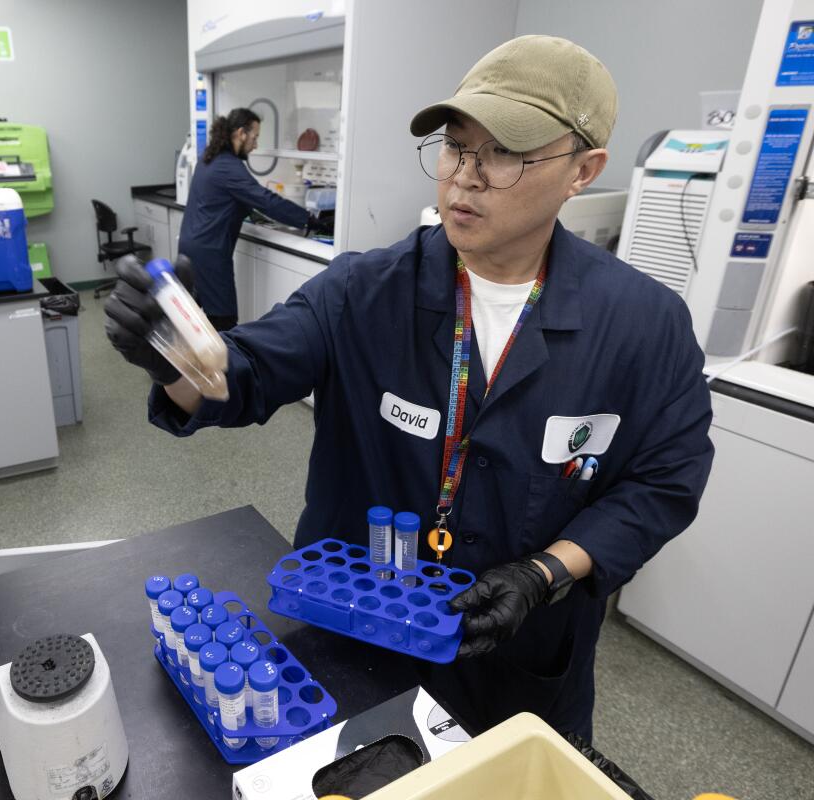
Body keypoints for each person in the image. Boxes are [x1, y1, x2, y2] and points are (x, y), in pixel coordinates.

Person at [105, 36, 714, 740]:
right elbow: (242, 375)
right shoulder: (365, 290)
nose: (465, 178)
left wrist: (545, 574)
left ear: (584, 170)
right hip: (360, 642)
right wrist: (175, 360)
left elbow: (665, 480)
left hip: (518, 659)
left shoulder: (642, 323)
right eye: (456, 147)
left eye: (506, 154)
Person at [178, 108, 322, 331]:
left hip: (191, 247)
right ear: (241, 133)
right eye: (254, 137)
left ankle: (192, 365)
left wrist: (256, 215)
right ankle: (223, 365)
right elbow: (265, 199)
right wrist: (309, 219)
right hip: (210, 255)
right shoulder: (229, 166)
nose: (255, 145)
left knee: (192, 322)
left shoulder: (211, 157)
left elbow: (234, 200)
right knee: (224, 322)